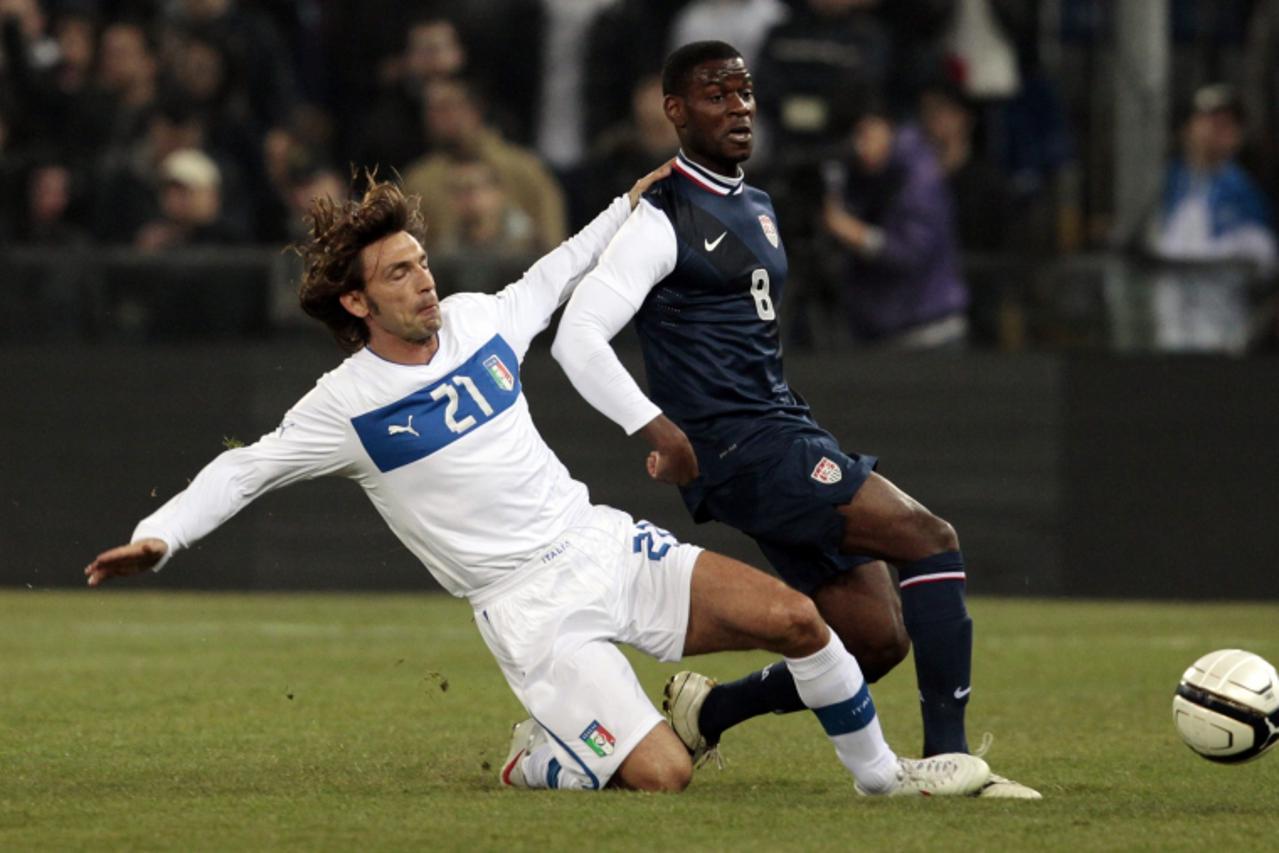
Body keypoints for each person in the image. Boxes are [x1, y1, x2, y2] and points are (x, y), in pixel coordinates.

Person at [83, 167, 990, 798]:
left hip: (597, 541)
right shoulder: (345, 406)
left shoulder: (480, 322)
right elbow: (245, 467)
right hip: (527, 607)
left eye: (421, 263)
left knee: (801, 618)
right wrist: (162, 534)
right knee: (663, 777)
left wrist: (622, 206)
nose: (423, 283)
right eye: (398, 274)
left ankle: (886, 783)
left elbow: (553, 276)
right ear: (357, 303)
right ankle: (541, 758)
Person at [551, 40, 1038, 799]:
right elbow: (577, 337)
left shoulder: (757, 204)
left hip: (779, 428)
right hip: (740, 446)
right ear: (674, 111)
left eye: (743, 92)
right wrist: (659, 429)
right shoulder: (659, 218)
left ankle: (712, 707)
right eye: (715, 94)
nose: (737, 107)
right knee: (928, 536)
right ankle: (951, 757)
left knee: (872, 640)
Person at [821, 99, 971, 347]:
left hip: (929, 332)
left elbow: (910, 252)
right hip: (882, 330)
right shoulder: (862, 175)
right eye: (855, 135)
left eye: (867, 133)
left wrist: (851, 231)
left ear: (887, 128)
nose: (861, 145)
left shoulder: (918, 174)